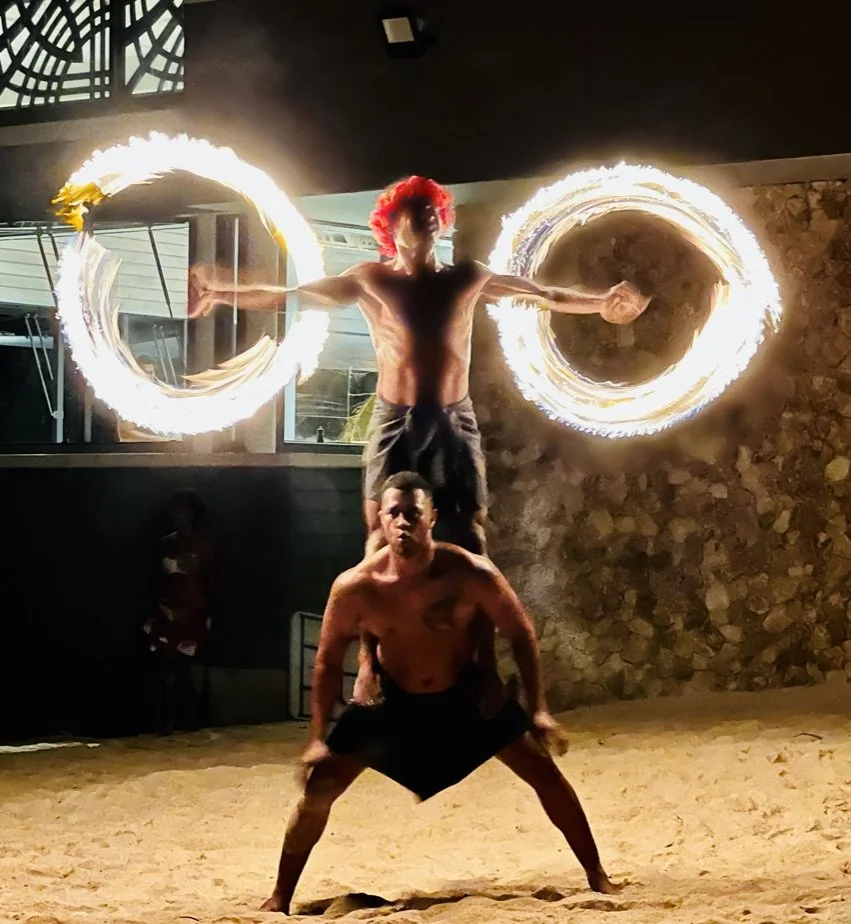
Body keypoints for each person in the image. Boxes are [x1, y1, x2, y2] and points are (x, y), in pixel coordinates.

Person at [190, 176, 650, 706]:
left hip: (454, 420)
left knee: (471, 533)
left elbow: (541, 294)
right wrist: (221, 292)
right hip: (395, 421)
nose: (427, 216)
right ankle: (369, 667)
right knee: (379, 536)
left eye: (432, 209)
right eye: (414, 209)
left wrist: (601, 303)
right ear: (390, 225)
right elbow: (295, 296)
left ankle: (483, 666)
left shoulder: (467, 277)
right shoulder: (370, 280)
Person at [260, 472, 617, 914]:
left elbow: (520, 633)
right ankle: (280, 897)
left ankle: (597, 875)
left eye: (413, 513)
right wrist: (317, 737)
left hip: (463, 694)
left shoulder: (470, 573)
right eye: (394, 513)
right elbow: (328, 660)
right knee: (318, 790)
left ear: (432, 517)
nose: (403, 523)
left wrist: (539, 709)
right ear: (381, 521)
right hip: (391, 702)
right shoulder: (357, 586)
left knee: (543, 772)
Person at [143, 488, 215, 734]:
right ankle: (167, 720)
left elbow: (211, 581)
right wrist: (157, 611)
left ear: (192, 513)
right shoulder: (165, 545)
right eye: (175, 511)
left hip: (194, 611)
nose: (179, 516)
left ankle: (196, 719)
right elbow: (155, 580)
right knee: (167, 666)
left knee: (193, 667)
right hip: (168, 611)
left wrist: (207, 611)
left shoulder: (203, 545)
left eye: (184, 510)